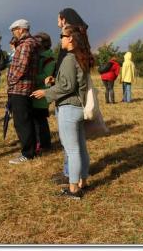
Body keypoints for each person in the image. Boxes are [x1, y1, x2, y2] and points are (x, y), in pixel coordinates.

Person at [32, 24, 92, 199]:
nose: (60, 39)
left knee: (72, 150)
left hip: (69, 109)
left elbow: (67, 86)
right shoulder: (81, 58)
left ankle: (73, 189)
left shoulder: (68, 59)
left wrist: (46, 92)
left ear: (70, 38)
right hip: (78, 108)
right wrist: (54, 81)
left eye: (62, 36)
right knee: (80, 148)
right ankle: (83, 182)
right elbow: (70, 83)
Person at [7, 19, 40, 164]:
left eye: (14, 30)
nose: (13, 33)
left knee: (21, 122)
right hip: (24, 87)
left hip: (20, 88)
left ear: (20, 29)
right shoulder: (30, 43)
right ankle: (31, 149)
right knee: (26, 120)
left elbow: (22, 67)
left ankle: (27, 153)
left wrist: (11, 80)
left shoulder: (26, 45)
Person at [32, 32, 55, 153]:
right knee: (37, 119)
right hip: (35, 92)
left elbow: (47, 75)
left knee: (40, 120)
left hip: (41, 93)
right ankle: (42, 143)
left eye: (37, 42)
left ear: (44, 44)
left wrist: (32, 77)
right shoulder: (38, 56)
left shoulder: (49, 58)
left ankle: (44, 145)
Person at [54, 7, 89, 77]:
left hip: (67, 77)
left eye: (58, 20)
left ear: (63, 20)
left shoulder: (69, 39)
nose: (57, 22)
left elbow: (63, 58)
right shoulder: (80, 35)